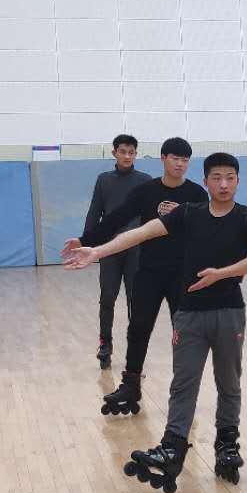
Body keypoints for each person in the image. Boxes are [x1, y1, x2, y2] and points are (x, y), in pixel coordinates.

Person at [63, 153, 247, 492]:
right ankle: (173, 447)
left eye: (230, 178)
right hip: (189, 315)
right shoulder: (188, 213)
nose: (223, 184)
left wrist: (222, 274)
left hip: (229, 312)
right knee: (183, 383)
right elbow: (141, 232)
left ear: (237, 181)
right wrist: (96, 250)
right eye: (216, 177)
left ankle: (227, 445)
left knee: (229, 383)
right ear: (205, 182)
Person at [64, 137, 209, 416]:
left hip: (182, 275)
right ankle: (131, 385)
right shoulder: (146, 191)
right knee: (138, 327)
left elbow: (206, 234)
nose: (180, 164)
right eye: (175, 158)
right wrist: (84, 240)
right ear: (163, 159)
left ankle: (184, 390)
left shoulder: (196, 194)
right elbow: (116, 219)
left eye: (185, 160)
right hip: (149, 272)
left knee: (184, 333)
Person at [82, 134, 151, 368]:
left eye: (131, 152)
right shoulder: (104, 180)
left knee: (135, 301)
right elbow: (94, 212)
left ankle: (135, 351)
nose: (127, 156)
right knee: (107, 298)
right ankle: (105, 344)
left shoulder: (145, 181)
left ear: (136, 154)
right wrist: (88, 243)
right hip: (110, 249)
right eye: (123, 152)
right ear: (114, 153)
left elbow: (150, 217)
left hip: (136, 249)